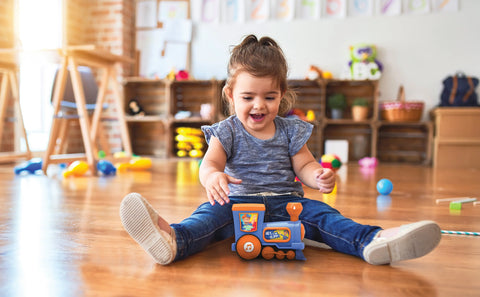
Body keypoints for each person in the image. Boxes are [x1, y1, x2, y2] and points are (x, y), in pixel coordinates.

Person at [120, 35, 441, 266]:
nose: (259, 105)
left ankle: (373, 241)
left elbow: (304, 164)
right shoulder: (226, 130)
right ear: (231, 95)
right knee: (206, 218)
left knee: (327, 217)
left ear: (282, 94)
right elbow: (209, 164)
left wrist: (317, 176)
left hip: (290, 205)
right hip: (235, 204)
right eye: (248, 97)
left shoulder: (290, 129)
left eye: (269, 97)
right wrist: (213, 176)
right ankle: (173, 241)